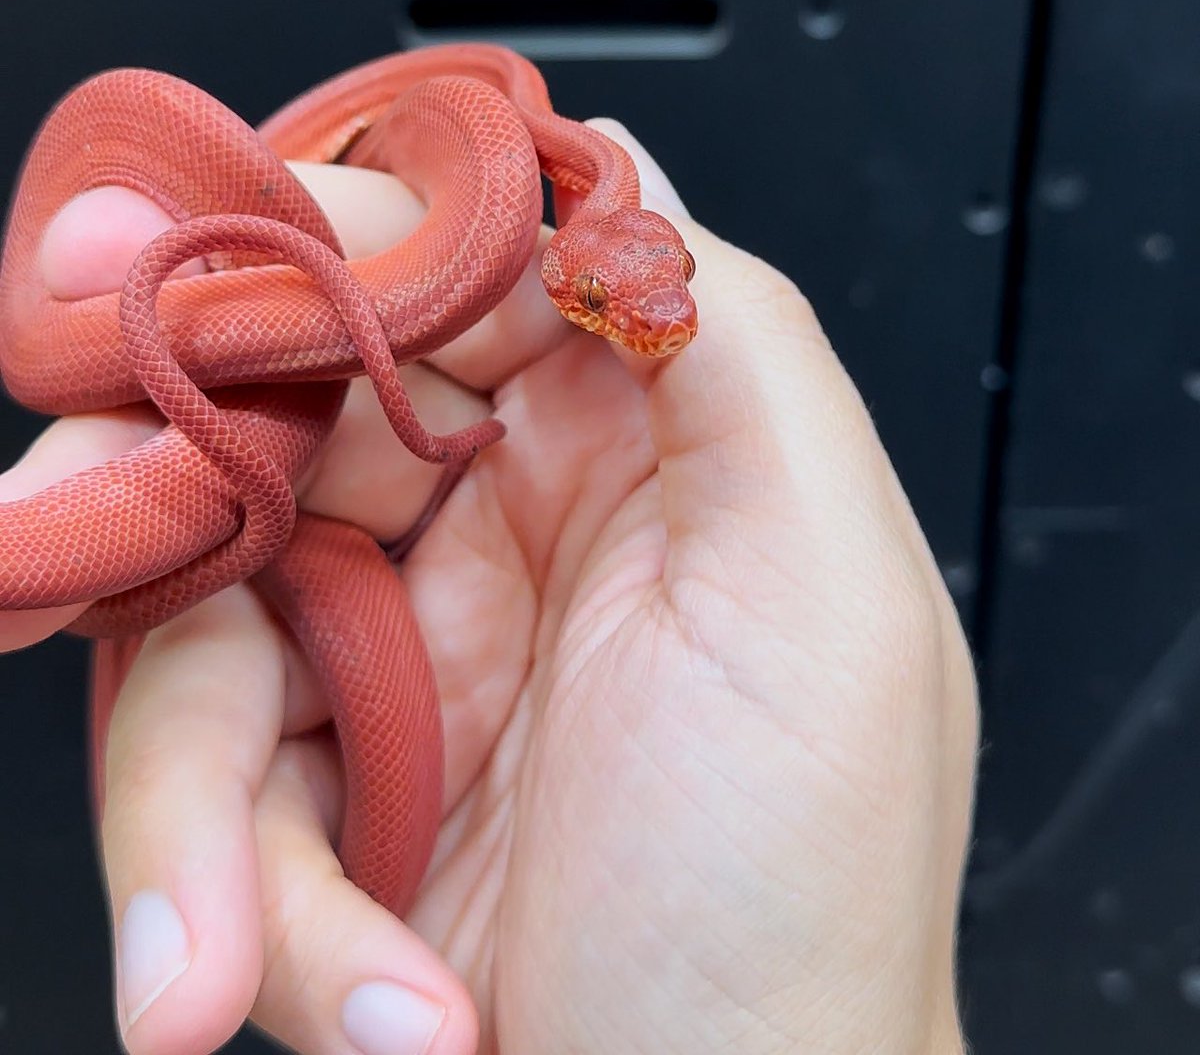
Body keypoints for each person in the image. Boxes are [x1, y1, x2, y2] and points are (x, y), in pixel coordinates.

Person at [0, 120, 979, 1055]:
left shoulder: (614, 278)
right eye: (604, 308)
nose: (659, 328)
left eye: (672, 281)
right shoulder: (493, 156)